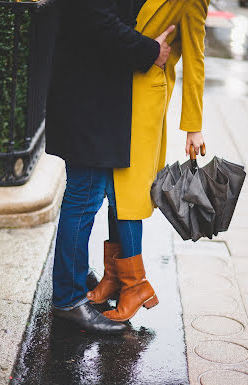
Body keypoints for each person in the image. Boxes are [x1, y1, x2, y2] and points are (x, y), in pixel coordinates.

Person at [45, 0, 175, 334]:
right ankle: (68, 298)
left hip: (91, 96)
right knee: (84, 195)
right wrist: (149, 50)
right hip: (89, 100)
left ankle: (75, 277)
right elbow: (97, 20)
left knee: (88, 193)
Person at [87, 0, 210, 322]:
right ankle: (114, 276)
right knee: (114, 189)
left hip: (143, 97)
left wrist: (193, 126)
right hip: (111, 90)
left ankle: (135, 285)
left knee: (129, 193)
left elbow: (195, 57)